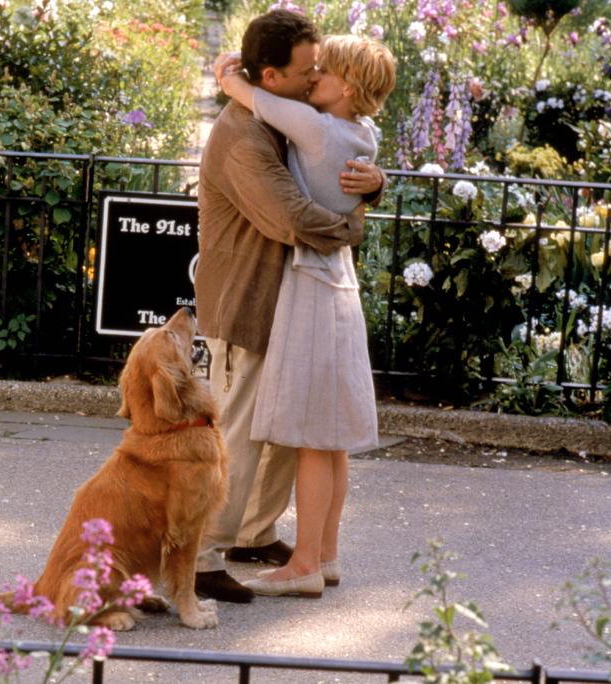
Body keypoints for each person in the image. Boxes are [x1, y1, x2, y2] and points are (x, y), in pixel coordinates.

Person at [193, 9, 385, 603]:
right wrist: (353, 224)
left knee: (281, 430)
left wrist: (374, 184)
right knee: (239, 432)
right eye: (307, 69)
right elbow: (290, 218)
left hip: (285, 299)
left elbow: (336, 162)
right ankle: (200, 554)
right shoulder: (244, 134)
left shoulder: (284, 117)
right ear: (271, 78)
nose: (314, 76)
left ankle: (252, 531)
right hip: (244, 299)